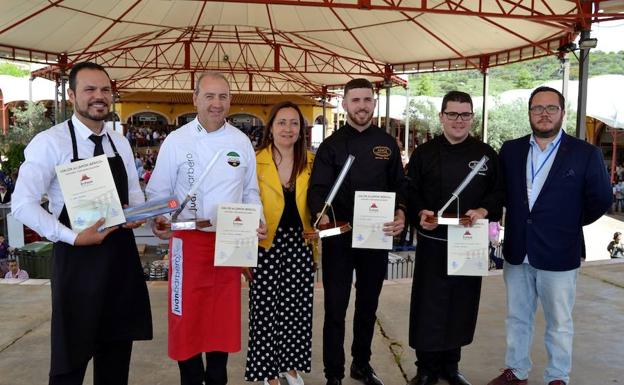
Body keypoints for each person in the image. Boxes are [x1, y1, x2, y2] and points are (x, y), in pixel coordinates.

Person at [11, 61, 152, 385]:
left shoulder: (120, 141)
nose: (98, 96)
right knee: (69, 360)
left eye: (104, 90)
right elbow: (22, 202)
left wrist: (138, 215)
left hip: (119, 259)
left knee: (116, 357)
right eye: (90, 89)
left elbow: (133, 193)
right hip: (77, 260)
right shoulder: (51, 142)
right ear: (73, 95)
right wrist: (72, 237)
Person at [486, 86, 612, 385]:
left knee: (559, 322)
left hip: (560, 251)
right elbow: (500, 192)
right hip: (518, 249)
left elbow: (601, 198)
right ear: (529, 113)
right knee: (517, 317)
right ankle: (516, 372)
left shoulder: (585, 153)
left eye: (550, 108)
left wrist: (567, 224)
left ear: (562, 113)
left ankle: (558, 377)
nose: (544, 114)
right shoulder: (511, 150)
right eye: (537, 108)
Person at [146, 71, 265, 385]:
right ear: (195, 98)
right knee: (186, 319)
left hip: (228, 244)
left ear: (230, 101)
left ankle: (217, 377)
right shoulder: (176, 141)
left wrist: (258, 218)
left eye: (223, 96)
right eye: (209, 96)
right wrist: (159, 219)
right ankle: (191, 378)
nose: (217, 103)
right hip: (187, 243)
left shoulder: (240, 142)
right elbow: (158, 192)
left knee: (221, 322)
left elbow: (250, 191)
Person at [308, 78, 407, 385]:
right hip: (339, 237)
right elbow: (317, 190)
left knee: (368, 305)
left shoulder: (388, 144)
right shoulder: (331, 145)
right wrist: (321, 217)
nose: (362, 105)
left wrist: (401, 212)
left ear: (373, 103)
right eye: (356, 100)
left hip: (375, 237)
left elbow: (400, 186)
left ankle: (361, 365)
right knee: (336, 308)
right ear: (345, 104)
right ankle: (334, 373)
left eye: (367, 100)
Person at [406, 91, 504, 385]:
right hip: (433, 242)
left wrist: (483, 209)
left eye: (465, 115)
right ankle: (425, 367)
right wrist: (420, 211)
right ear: (441, 117)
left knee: (460, 306)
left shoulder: (487, 155)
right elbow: (409, 190)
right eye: (452, 114)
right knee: (429, 305)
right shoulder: (423, 153)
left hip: (468, 243)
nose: (458, 121)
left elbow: (499, 191)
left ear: (472, 117)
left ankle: (451, 366)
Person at [243, 101, 316, 385]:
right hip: (266, 245)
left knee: (296, 309)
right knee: (264, 311)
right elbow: (243, 200)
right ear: (271, 128)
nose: (288, 128)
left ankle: (291, 366)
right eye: (282, 122)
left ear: (301, 129)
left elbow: (320, 203)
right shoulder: (255, 159)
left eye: (294, 123)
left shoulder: (310, 161)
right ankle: (267, 372)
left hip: (299, 244)